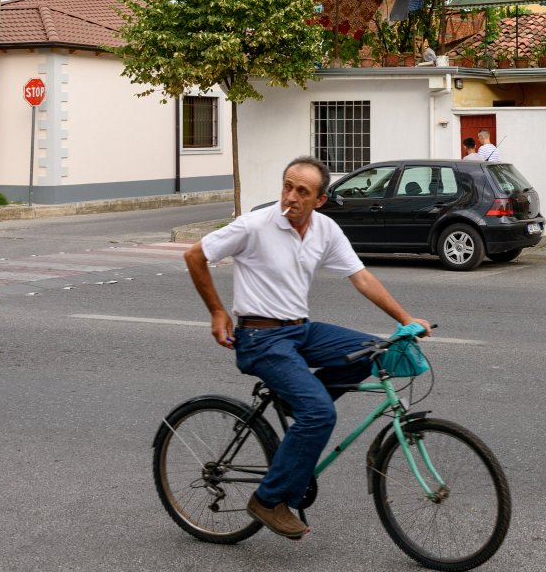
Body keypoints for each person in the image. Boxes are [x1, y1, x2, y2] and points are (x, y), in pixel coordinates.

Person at [184, 156, 431, 541]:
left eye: (302, 191)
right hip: (260, 338)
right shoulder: (255, 226)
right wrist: (218, 312)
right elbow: (195, 255)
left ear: (320, 199)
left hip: (300, 331)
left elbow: (361, 278)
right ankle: (268, 500)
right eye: (287, 186)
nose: (291, 196)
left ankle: (296, 400)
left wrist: (405, 320)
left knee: (376, 350)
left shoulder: (325, 230)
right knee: (318, 414)